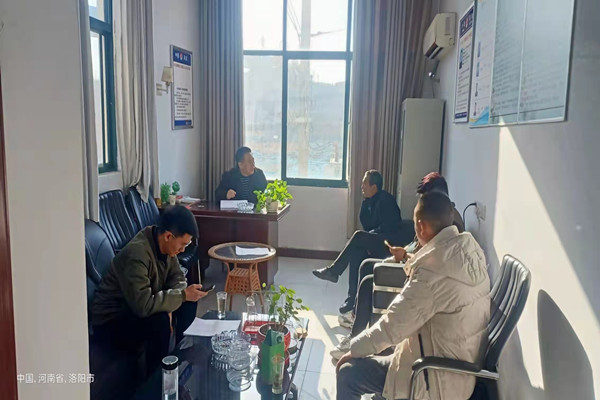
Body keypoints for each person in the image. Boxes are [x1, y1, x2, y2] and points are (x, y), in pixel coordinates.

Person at [335, 192, 490, 400]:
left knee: (348, 373)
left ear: (420, 226)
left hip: (434, 378)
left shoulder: (432, 274)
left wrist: (353, 350)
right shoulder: (467, 249)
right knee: (379, 349)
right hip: (457, 366)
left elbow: (392, 327)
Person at [331, 172, 466, 359]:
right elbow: (420, 249)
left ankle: (355, 339)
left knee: (368, 280)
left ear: (436, 196)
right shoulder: (438, 214)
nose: (421, 203)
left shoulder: (448, 222)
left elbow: (431, 262)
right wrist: (404, 252)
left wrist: (404, 256)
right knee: (365, 264)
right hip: (411, 262)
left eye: (424, 198)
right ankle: (356, 318)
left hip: (417, 275)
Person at [91, 205, 209, 372]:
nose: (183, 250)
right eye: (182, 244)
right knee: (160, 320)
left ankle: (179, 354)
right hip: (112, 320)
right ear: (168, 236)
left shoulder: (164, 245)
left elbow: (178, 277)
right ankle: (156, 377)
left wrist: (178, 298)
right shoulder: (137, 254)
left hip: (135, 307)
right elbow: (143, 305)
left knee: (189, 300)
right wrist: (178, 297)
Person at [312, 170, 404, 314]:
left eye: (365, 183)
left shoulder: (386, 200)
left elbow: (390, 227)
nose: (362, 186)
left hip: (388, 244)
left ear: (374, 187)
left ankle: (334, 271)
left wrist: (370, 237)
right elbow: (366, 223)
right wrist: (366, 204)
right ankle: (352, 300)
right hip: (375, 240)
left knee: (358, 236)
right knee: (356, 252)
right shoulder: (368, 201)